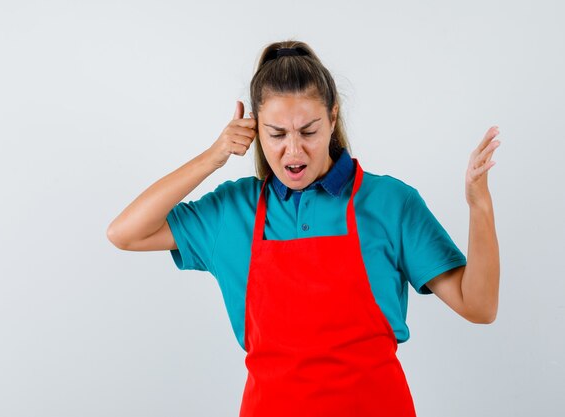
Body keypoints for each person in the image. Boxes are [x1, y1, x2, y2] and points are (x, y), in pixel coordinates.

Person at [107, 40, 501, 417]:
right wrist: (213, 157)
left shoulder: (389, 202)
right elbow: (126, 233)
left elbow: (478, 306)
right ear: (255, 129)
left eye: (308, 131)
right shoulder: (234, 211)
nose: (293, 151)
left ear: (332, 117)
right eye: (276, 134)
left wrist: (478, 204)